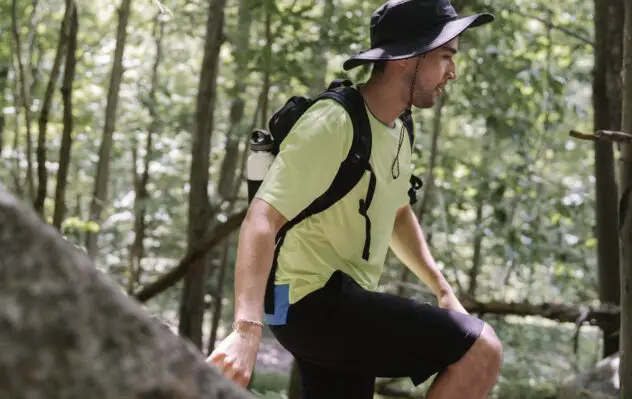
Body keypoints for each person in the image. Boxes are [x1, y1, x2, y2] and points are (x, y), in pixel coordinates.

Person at [207, 1, 502, 398]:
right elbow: (261, 219)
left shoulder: (398, 128)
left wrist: (442, 289)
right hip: (308, 301)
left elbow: (398, 214)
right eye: (445, 57)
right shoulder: (333, 122)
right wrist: (245, 331)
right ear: (405, 58)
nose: (453, 72)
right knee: (480, 349)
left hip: (340, 303)